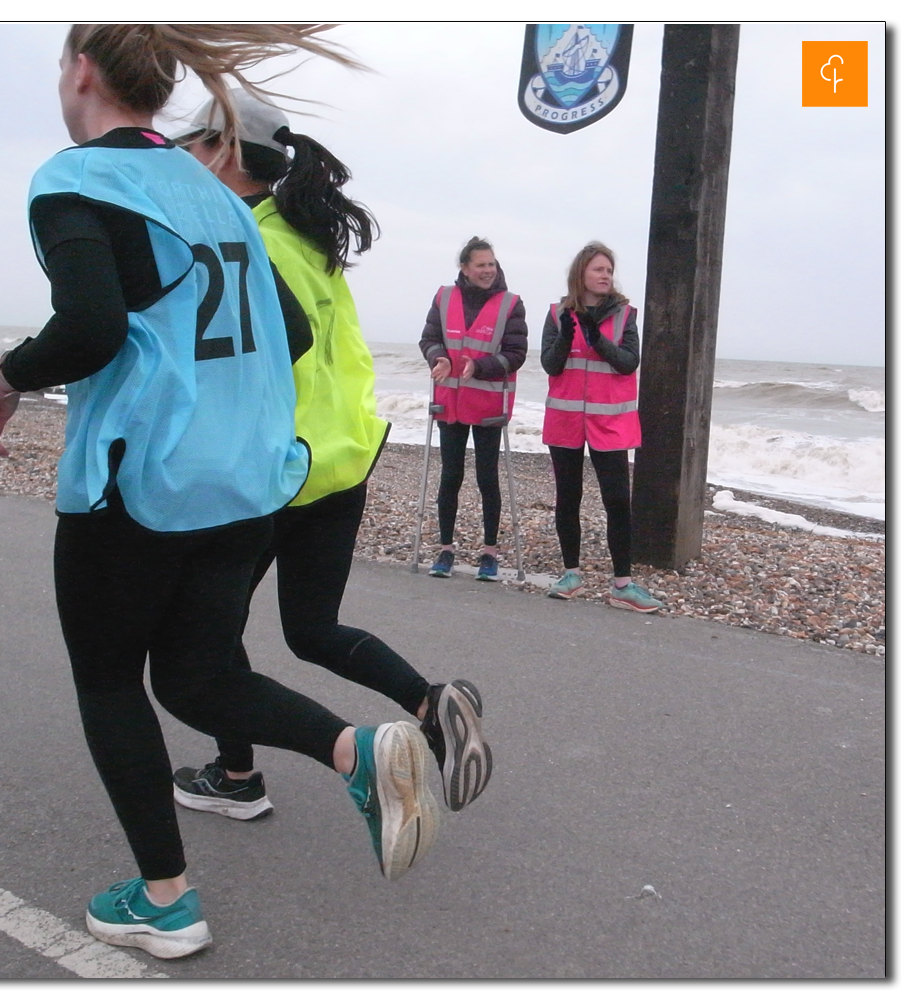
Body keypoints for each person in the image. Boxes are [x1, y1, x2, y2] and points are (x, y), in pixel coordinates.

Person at [0, 24, 440, 960]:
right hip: (246, 481)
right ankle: (357, 751)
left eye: (64, 64)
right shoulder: (215, 194)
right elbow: (291, 331)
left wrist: (1, 379)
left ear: (83, 71)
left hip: (142, 483)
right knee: (196, 675)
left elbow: (91, 326)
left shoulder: (75, 177)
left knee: (109, 680)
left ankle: (166, 899)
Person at [167, 89, 492, 819]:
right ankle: (432, 705)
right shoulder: (306, 237)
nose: (179, 161)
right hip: (341, 461)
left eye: (187, 145)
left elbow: (266, 351)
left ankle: (238, 776)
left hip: (275, 469)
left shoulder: (245, 236)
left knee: (207, 645)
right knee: (312, 628)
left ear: (219, 151)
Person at [540, 242, 664, 613]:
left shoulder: (625, 316)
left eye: (608, 269)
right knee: (568, 496)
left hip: (609, 422)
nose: (605, 275)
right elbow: (551, 365)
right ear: (581, 274)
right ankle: (571, 575)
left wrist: (597, 340)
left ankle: (622, 584)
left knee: (617, 501)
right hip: (566, 420)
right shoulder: (557, 313)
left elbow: (628, 363)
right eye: (598, 269)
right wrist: (566, 334)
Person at [418, 237, 528, 582]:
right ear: (464, 268)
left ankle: (490, 553)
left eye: (492, 264)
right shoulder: (444, 297)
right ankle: (445, 549)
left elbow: (516, 353)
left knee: (487, 477)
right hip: (449, 401)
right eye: (481, 265)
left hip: (487, 404)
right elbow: (429, 338)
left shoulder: (511, 304)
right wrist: (437, 357)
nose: (488, 271)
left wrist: (480, 367)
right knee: (451, 475)